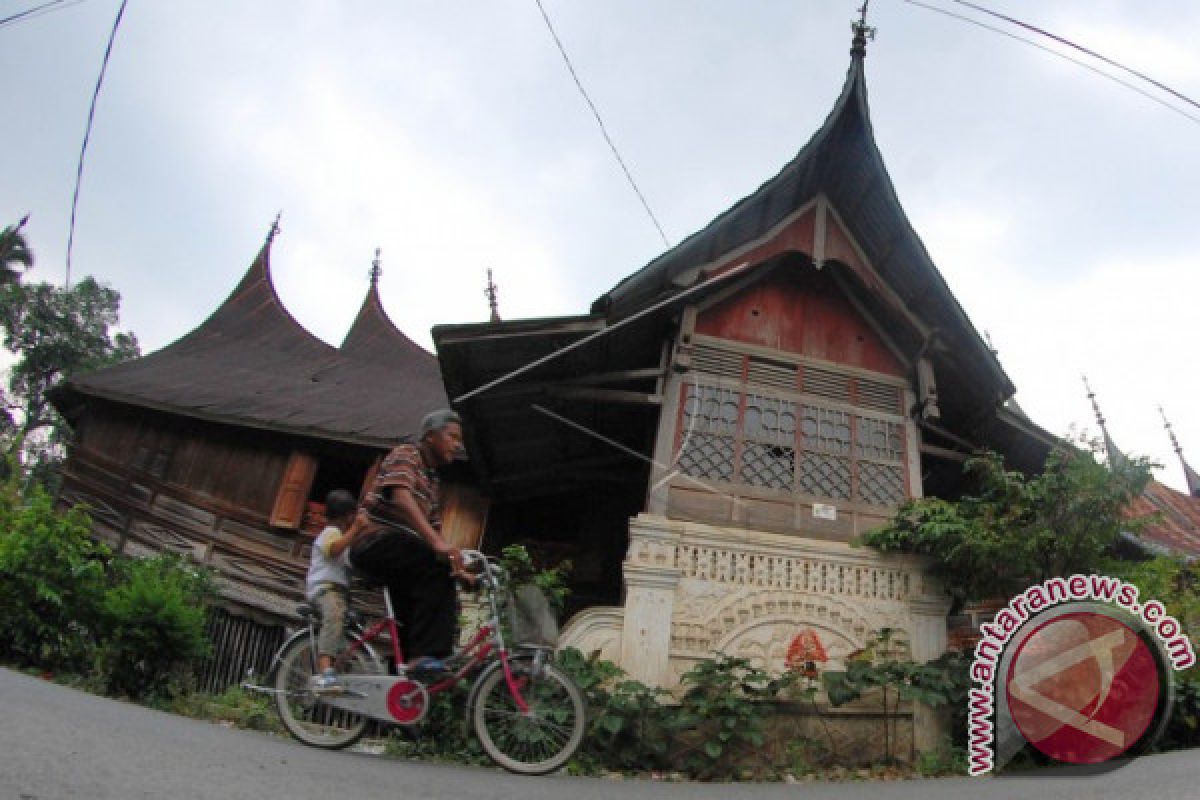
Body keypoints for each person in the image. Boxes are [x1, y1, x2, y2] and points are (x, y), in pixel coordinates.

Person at [349, 409, 468, 672]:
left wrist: (458, 566)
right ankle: (428, 653)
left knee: (412, 619)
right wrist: (437, 547)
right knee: (435, 569)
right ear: (430, 437)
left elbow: (435, 531)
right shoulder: (407, 454)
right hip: (374, 542)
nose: (457, 445)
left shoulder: (433, 481)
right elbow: (400, 497)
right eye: (452, 437)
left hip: (402, 555)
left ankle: (401, 683)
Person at [305, 489, 369, 692]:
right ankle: (325, 672)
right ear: (348, 516)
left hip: (339, 593)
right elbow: (333, 550)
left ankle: (337, 666)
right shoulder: (330, 533)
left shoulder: (342, 537)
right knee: (333, 617)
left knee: (347, 625)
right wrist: (357, 529)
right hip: (325, 591)